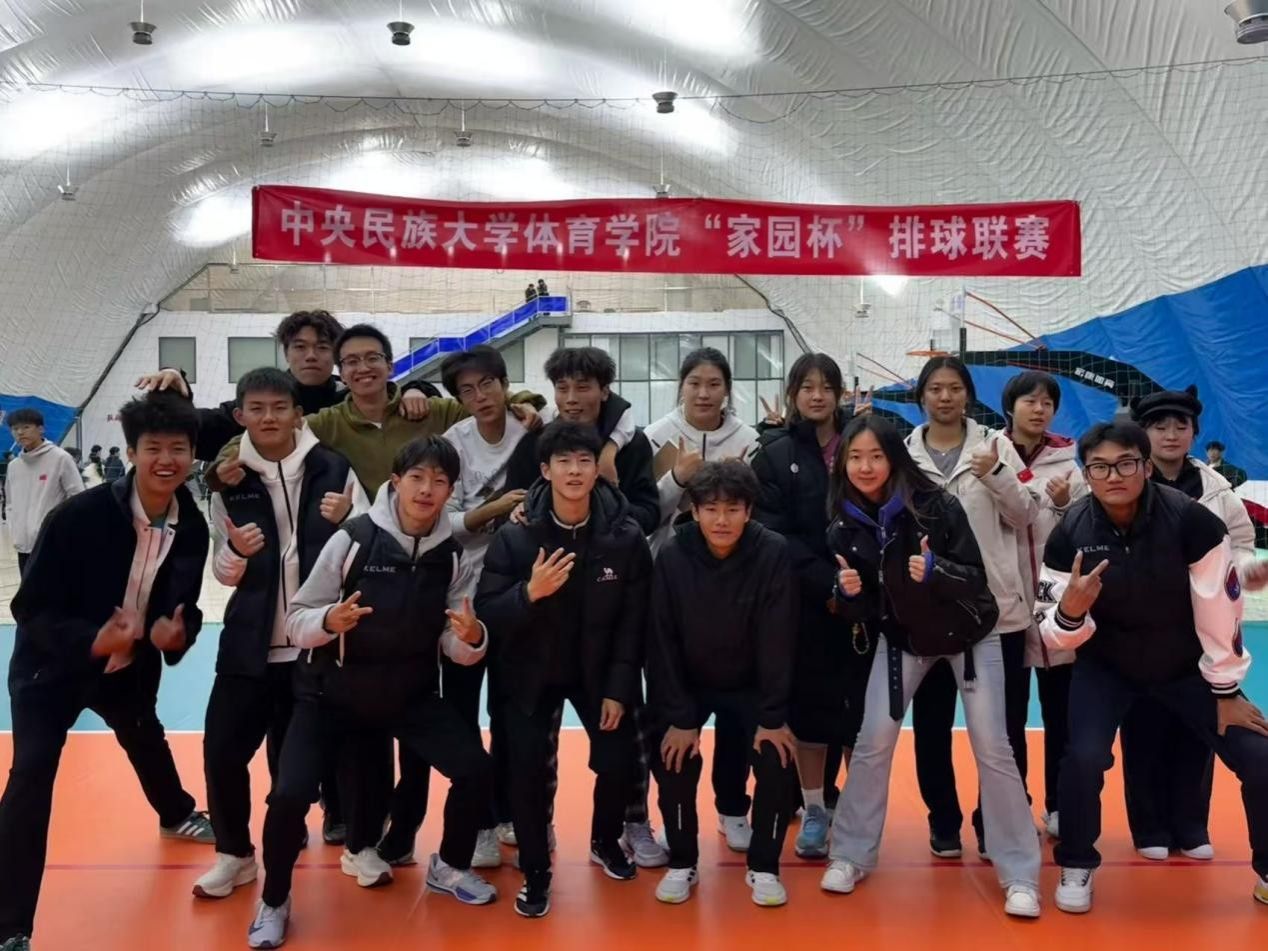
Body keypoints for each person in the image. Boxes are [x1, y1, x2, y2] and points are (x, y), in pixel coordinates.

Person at [247, 436, 497, 949]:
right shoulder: (354, 539)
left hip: (409, 694)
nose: (427, 490)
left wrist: (473, 638)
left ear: (451, 490)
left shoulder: (451, 556)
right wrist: (328, 620)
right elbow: (296, 619)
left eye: (439, 481)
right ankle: (274, 900)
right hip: (331, 694)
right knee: (290, 794)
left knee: (476, 770)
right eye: (417, 478)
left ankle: (449, 866)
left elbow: (454, 643)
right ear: (396, 481)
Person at [0, 392, 215, 951]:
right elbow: (30, 609)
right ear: (132, 453)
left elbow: (184, 607)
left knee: (144, 734)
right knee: (31, 777)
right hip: (51, 667)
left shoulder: (192, 526)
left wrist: (176, 634)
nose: (166, 459)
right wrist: (93, 639)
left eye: (178, 448)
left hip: (127, 666)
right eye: (153, 448)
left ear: (193, 455)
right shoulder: (79, 517)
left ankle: (175, 814)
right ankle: (10, 926)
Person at [1037, 420, 1268, 914]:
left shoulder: (1192, 521)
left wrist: (1226, 690)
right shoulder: (1070, 532)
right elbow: (1052, 630)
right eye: (1100, 467)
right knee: (1082, 760)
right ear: (1087, 474)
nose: (1113, 476)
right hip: (1106, 667)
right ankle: (1076, 863)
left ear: (1145, 467)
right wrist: (1071, 612)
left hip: (1184, 666)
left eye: (1125, 464)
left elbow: (1220, 607)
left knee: (1260, 755)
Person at [818, 416, 1042, 918]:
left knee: (994, 746)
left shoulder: (935, 505)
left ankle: (1020, 873)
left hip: (970, 636)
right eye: (855, 457)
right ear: (842, 464)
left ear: (895, 459)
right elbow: (867, 608)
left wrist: (937, 572)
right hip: (904, 641)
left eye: (876, 456)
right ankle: (850, 854)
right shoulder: (843, 525)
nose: (865, 467)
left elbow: (976, 580)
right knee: (872, 740)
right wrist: (845, 595)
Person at [192, 368, 359, 901]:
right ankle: (234, 855)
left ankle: (319, 844)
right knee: (222, 752)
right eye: (257, 409)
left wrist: (349, 520)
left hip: (314, 646)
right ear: (240, 415)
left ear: (297, 414)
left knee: (299, 770)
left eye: (279, 407)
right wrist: (235, 552)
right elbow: (224, 573)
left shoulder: (334, 468)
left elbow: (366, 549)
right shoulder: (228, 480)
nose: (269, 418)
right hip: (249, 643)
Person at [476, 421, 652, 918]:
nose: (574, 471)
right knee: (527, 773)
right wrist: (528, 594)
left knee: (618, 761)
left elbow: (634, 621)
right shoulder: (516, 536)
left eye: (584, 461)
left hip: (599, 671)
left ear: (597, 470)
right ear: (545, 470)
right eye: (564, 461)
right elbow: (488, 612)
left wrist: (619, 686)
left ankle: (605, 839)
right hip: (530, 673)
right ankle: (536, 870)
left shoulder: (625, 536)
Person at [502, 346, 664, 868]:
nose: (572, 398)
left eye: (583, 387)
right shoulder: (537, 441)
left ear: (604, 391)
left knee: (625, 743)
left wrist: (612, 510)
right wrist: (527, 511)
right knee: (535, 747)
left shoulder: (629, 445)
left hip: (608, 600)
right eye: (562, 388)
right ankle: (537, 826)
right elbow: (518, 498)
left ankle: (627, 826)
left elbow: (650, 508)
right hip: (545, 630)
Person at [377, 344, 533, 871]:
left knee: (511, 714)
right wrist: (495, 508)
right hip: (458, 594)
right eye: (467, 390)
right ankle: (472, 825)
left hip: (518, 593)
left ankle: (510, 813)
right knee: (455, 715)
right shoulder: (453, 444)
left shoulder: (532, 430)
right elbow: (449, 522)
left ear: (505, 384)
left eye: (488, 384)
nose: (479, 396)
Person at [1119, 387, 1265, 862]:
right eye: (1159, 426)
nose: (1170, 434)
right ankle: (1149, 827)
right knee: (1143, 728)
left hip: (1200, 633)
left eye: (1180, 426)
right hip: (1139, 631)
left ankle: (1190, 823)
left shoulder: (1216, 489)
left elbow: (1240, 543)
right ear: (1143, 433)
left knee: (1196, 732)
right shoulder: (1125, 481)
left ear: (1194, 433)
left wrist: (1247, 569)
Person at [648, 461, 799, 907]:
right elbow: (661, 640)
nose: (721, 520)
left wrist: (772, 717)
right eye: (711, 509)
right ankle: (682, 861)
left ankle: (764, 867)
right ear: (694, 511)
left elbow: (779, 637)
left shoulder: (772, 551)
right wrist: (679, 718)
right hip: (690, 682)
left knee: (776, 757)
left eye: (732, 509)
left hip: (751, 682)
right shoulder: (673, 555)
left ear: (749, 511)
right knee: (673, 757)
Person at [903, 356, 1037, 859]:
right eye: (935, 388)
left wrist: (997, 474)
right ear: (921, 396)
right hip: (929, 614)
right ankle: (943, 821)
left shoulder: (997, 447)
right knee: (931, 726)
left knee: (1004, 730)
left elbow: (1026, 514)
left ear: (968, 395)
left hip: (995, 613)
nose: (945, 397)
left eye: (954, 388)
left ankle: (994, 823)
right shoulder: (904, 455)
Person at [750, 352, 866, 859]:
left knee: (862, 717)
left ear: (839, 393)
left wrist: (860, 584)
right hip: (806, 603)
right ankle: (815, 809)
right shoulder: (774, 454)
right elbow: (774, 532)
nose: (817, 396)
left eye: (826, 386)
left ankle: (858, 813)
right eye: (807, 387)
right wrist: (828, 584)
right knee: (812, 714)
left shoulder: (866, 443)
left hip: (866, 602)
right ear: (793, 394)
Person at [644, 348, 761, 853]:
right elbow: (645, 512)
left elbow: (754, 510)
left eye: (714, 383)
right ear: (682, 386)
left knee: (737, 716)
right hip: (672, 581)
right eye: (695, 382)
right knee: (671, 707)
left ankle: (733, 808)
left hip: (735, 587)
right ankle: (675, 813)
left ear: (727, 389)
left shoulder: (749, 439)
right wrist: (677, 478)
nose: (704, 393)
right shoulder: (656, 436)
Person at [135, 310, 434, 461]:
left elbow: (392, 399)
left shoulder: (351, 398)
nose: (311, 356)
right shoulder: (263, 401)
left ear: (336, 355)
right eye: (300, 347)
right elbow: (201, 428)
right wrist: (175, 389)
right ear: (286, 352)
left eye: (322, 347)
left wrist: (417, 388)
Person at [1002, 370, 1086, 839]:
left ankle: (1060, 806)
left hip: (1058, 605)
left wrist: (1066, 504)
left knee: (1062, 716)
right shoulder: (991, 455)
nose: (1039, 409)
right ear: (1010, 406)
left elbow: (1087, 526)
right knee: (1009, 718)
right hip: (1006, 604)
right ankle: (1015, 807)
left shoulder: (1070, 463)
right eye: (1029, 401)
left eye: (1047, 403)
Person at [6, 408, 84, 576]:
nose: (20, 432)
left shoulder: (60, 458)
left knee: (54, 590)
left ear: (41, 429)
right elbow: (10, 503)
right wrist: (15, 531)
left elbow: (78, 499)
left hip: (52, 544)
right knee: (28, 591)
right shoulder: (14, 466)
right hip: (23, 547)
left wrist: (61, 531)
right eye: (15, 428)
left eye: (26, 427)